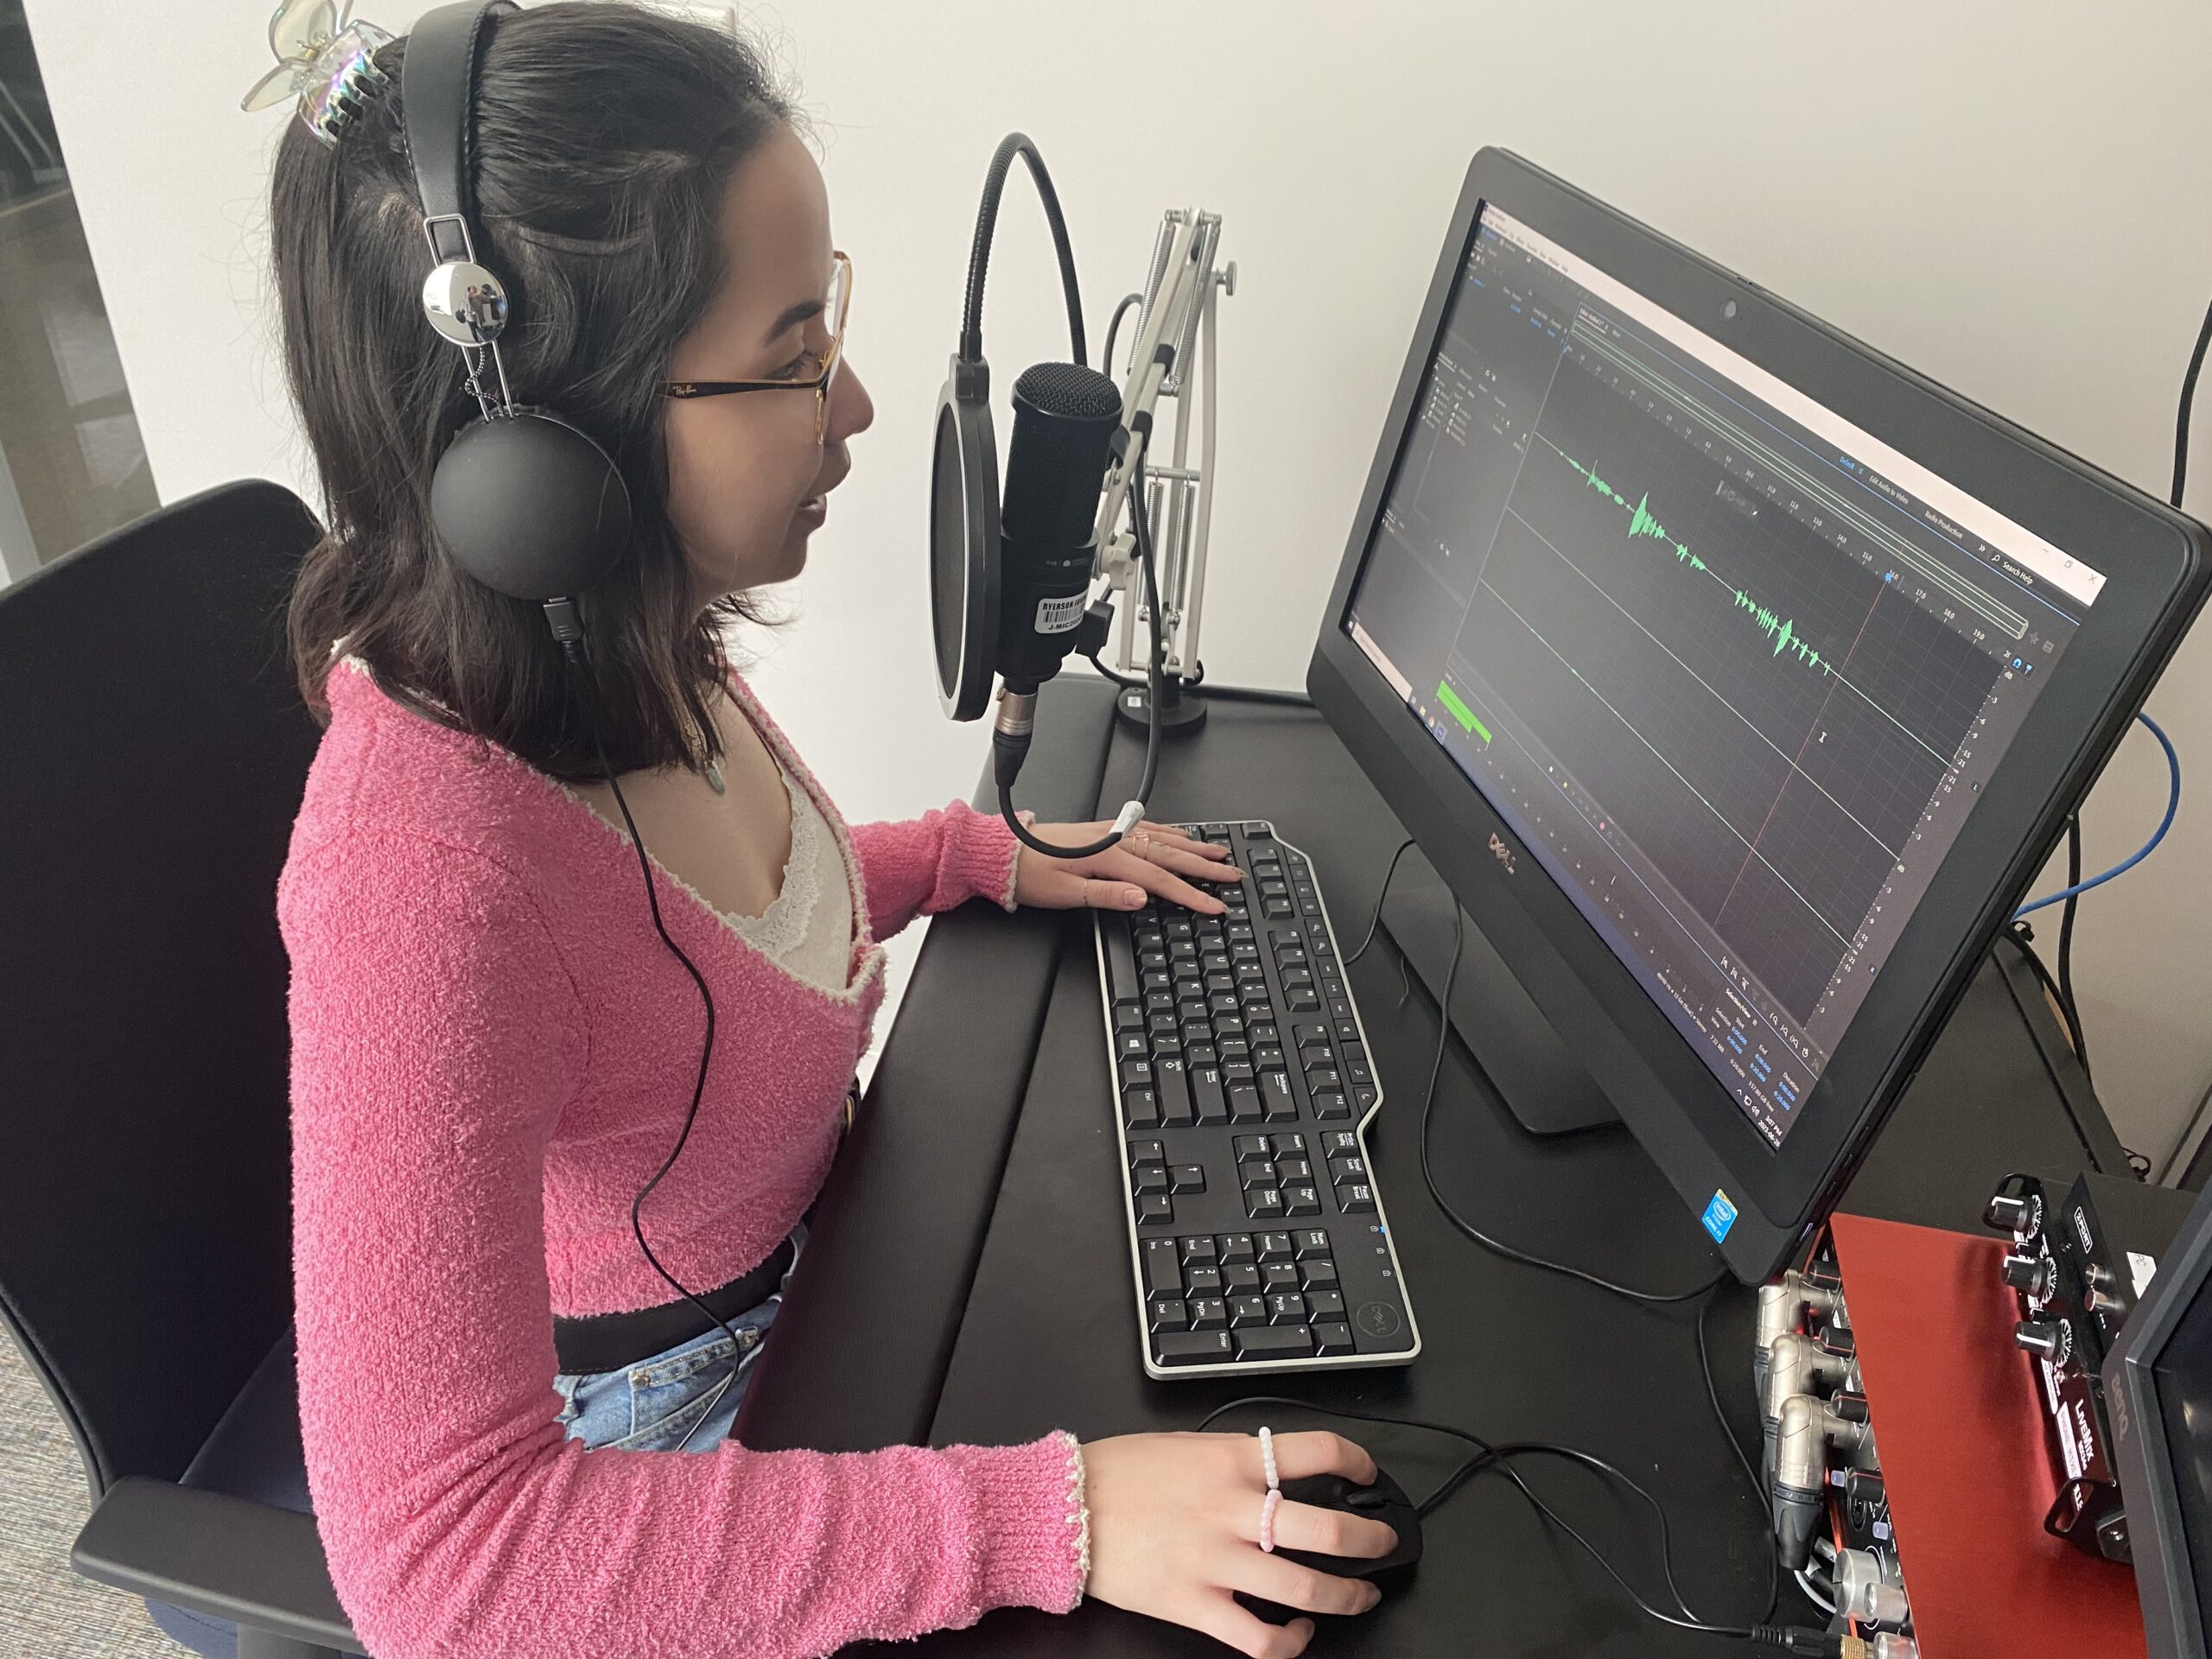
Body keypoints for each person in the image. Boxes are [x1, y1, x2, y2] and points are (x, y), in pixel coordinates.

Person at [264, 6, 1394, 1659]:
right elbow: (445, 1565)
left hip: (827, 1254)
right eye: (793, 357)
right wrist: (1055, 1519)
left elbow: (680, 964)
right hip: (652, 1462)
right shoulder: (418, 888)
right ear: (547, 455)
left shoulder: (631, 640)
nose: (854, 404)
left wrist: (963, 857)